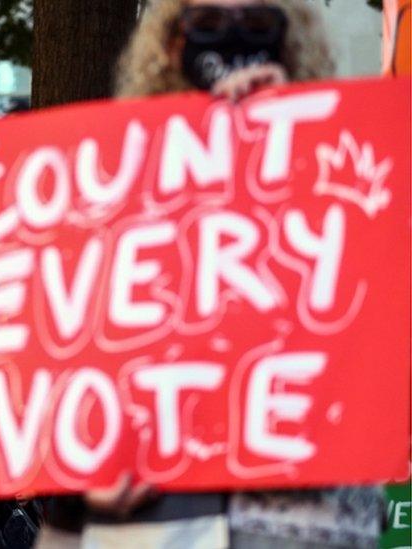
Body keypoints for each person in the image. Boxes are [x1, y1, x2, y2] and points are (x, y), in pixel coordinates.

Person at [37, 1, 381, 548]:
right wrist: (77, 479)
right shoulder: (108, 191)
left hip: (303, 516)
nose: (233, 39)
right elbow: (70, 359)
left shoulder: (353, 167)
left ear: (289, 40)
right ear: (173, 43)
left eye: (257, 22)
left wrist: (299, 132)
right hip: (153, 514)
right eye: (210, 23)